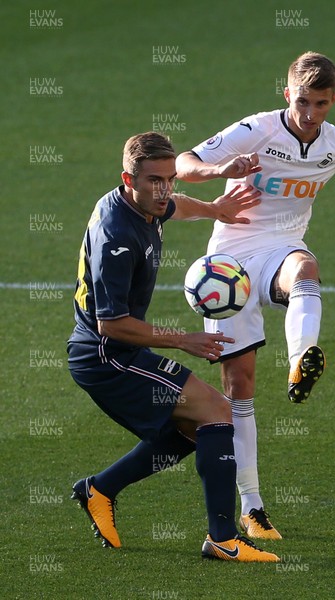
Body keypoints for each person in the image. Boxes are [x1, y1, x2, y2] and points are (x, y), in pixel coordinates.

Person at [176, 51, 335, 539]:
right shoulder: (256, 130)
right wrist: (222, 169)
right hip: (229, 262)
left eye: (320, 104)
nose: (310, 113)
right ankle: (252, 506)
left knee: (307, 269)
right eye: (302, 101)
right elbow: (185, 163)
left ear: (333, 100)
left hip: (282, 247)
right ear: (285, 92)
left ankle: (301, 357)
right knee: (240, 389)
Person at [67, 131, 280, 562]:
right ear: (128, 179)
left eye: (169, 179)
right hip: (105, 355)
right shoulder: (117, 236)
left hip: (118, 350)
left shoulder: (145, 203)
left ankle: (99, 489)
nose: (165, 190)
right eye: (154, 181)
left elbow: (175, 206)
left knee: (194, 429)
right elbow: (112, 324)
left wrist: (215, 209)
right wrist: (185, 340)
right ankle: (222, 539)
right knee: (218, 412)